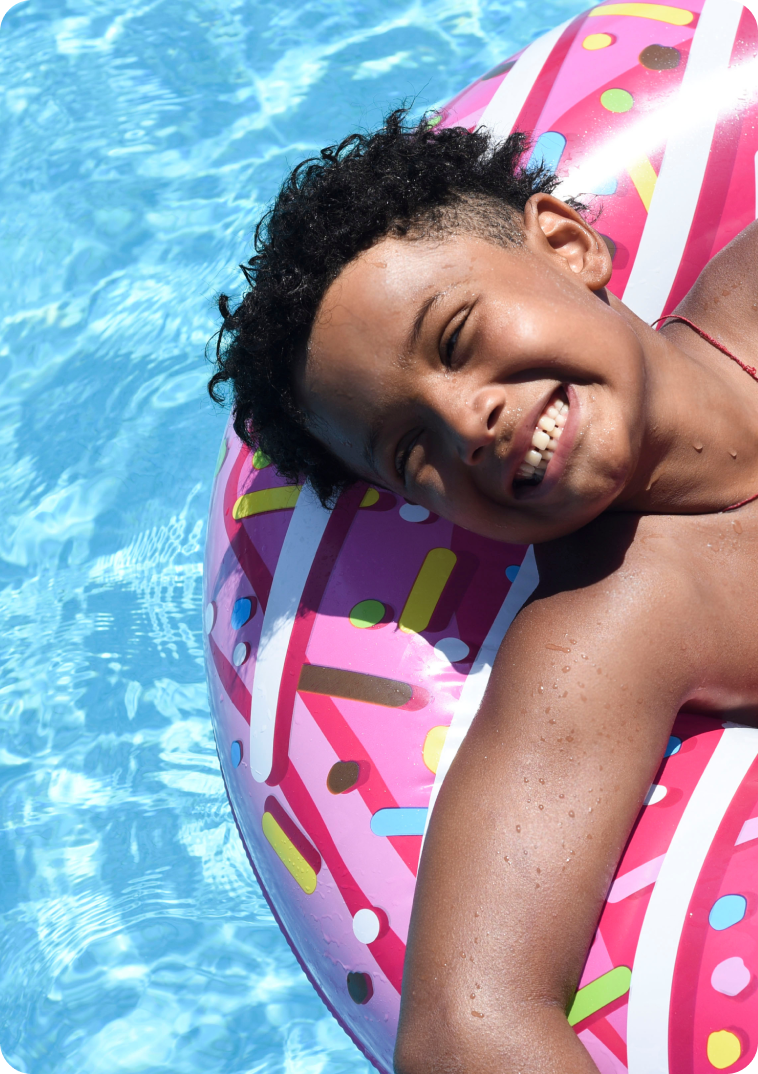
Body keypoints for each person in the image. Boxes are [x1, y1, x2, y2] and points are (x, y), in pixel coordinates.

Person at [208, 110, 758, 1073]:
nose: (468, 422)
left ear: (567, 243)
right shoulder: (612, 630)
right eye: (413, 451)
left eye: (457, 338)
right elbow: (468, 1020)